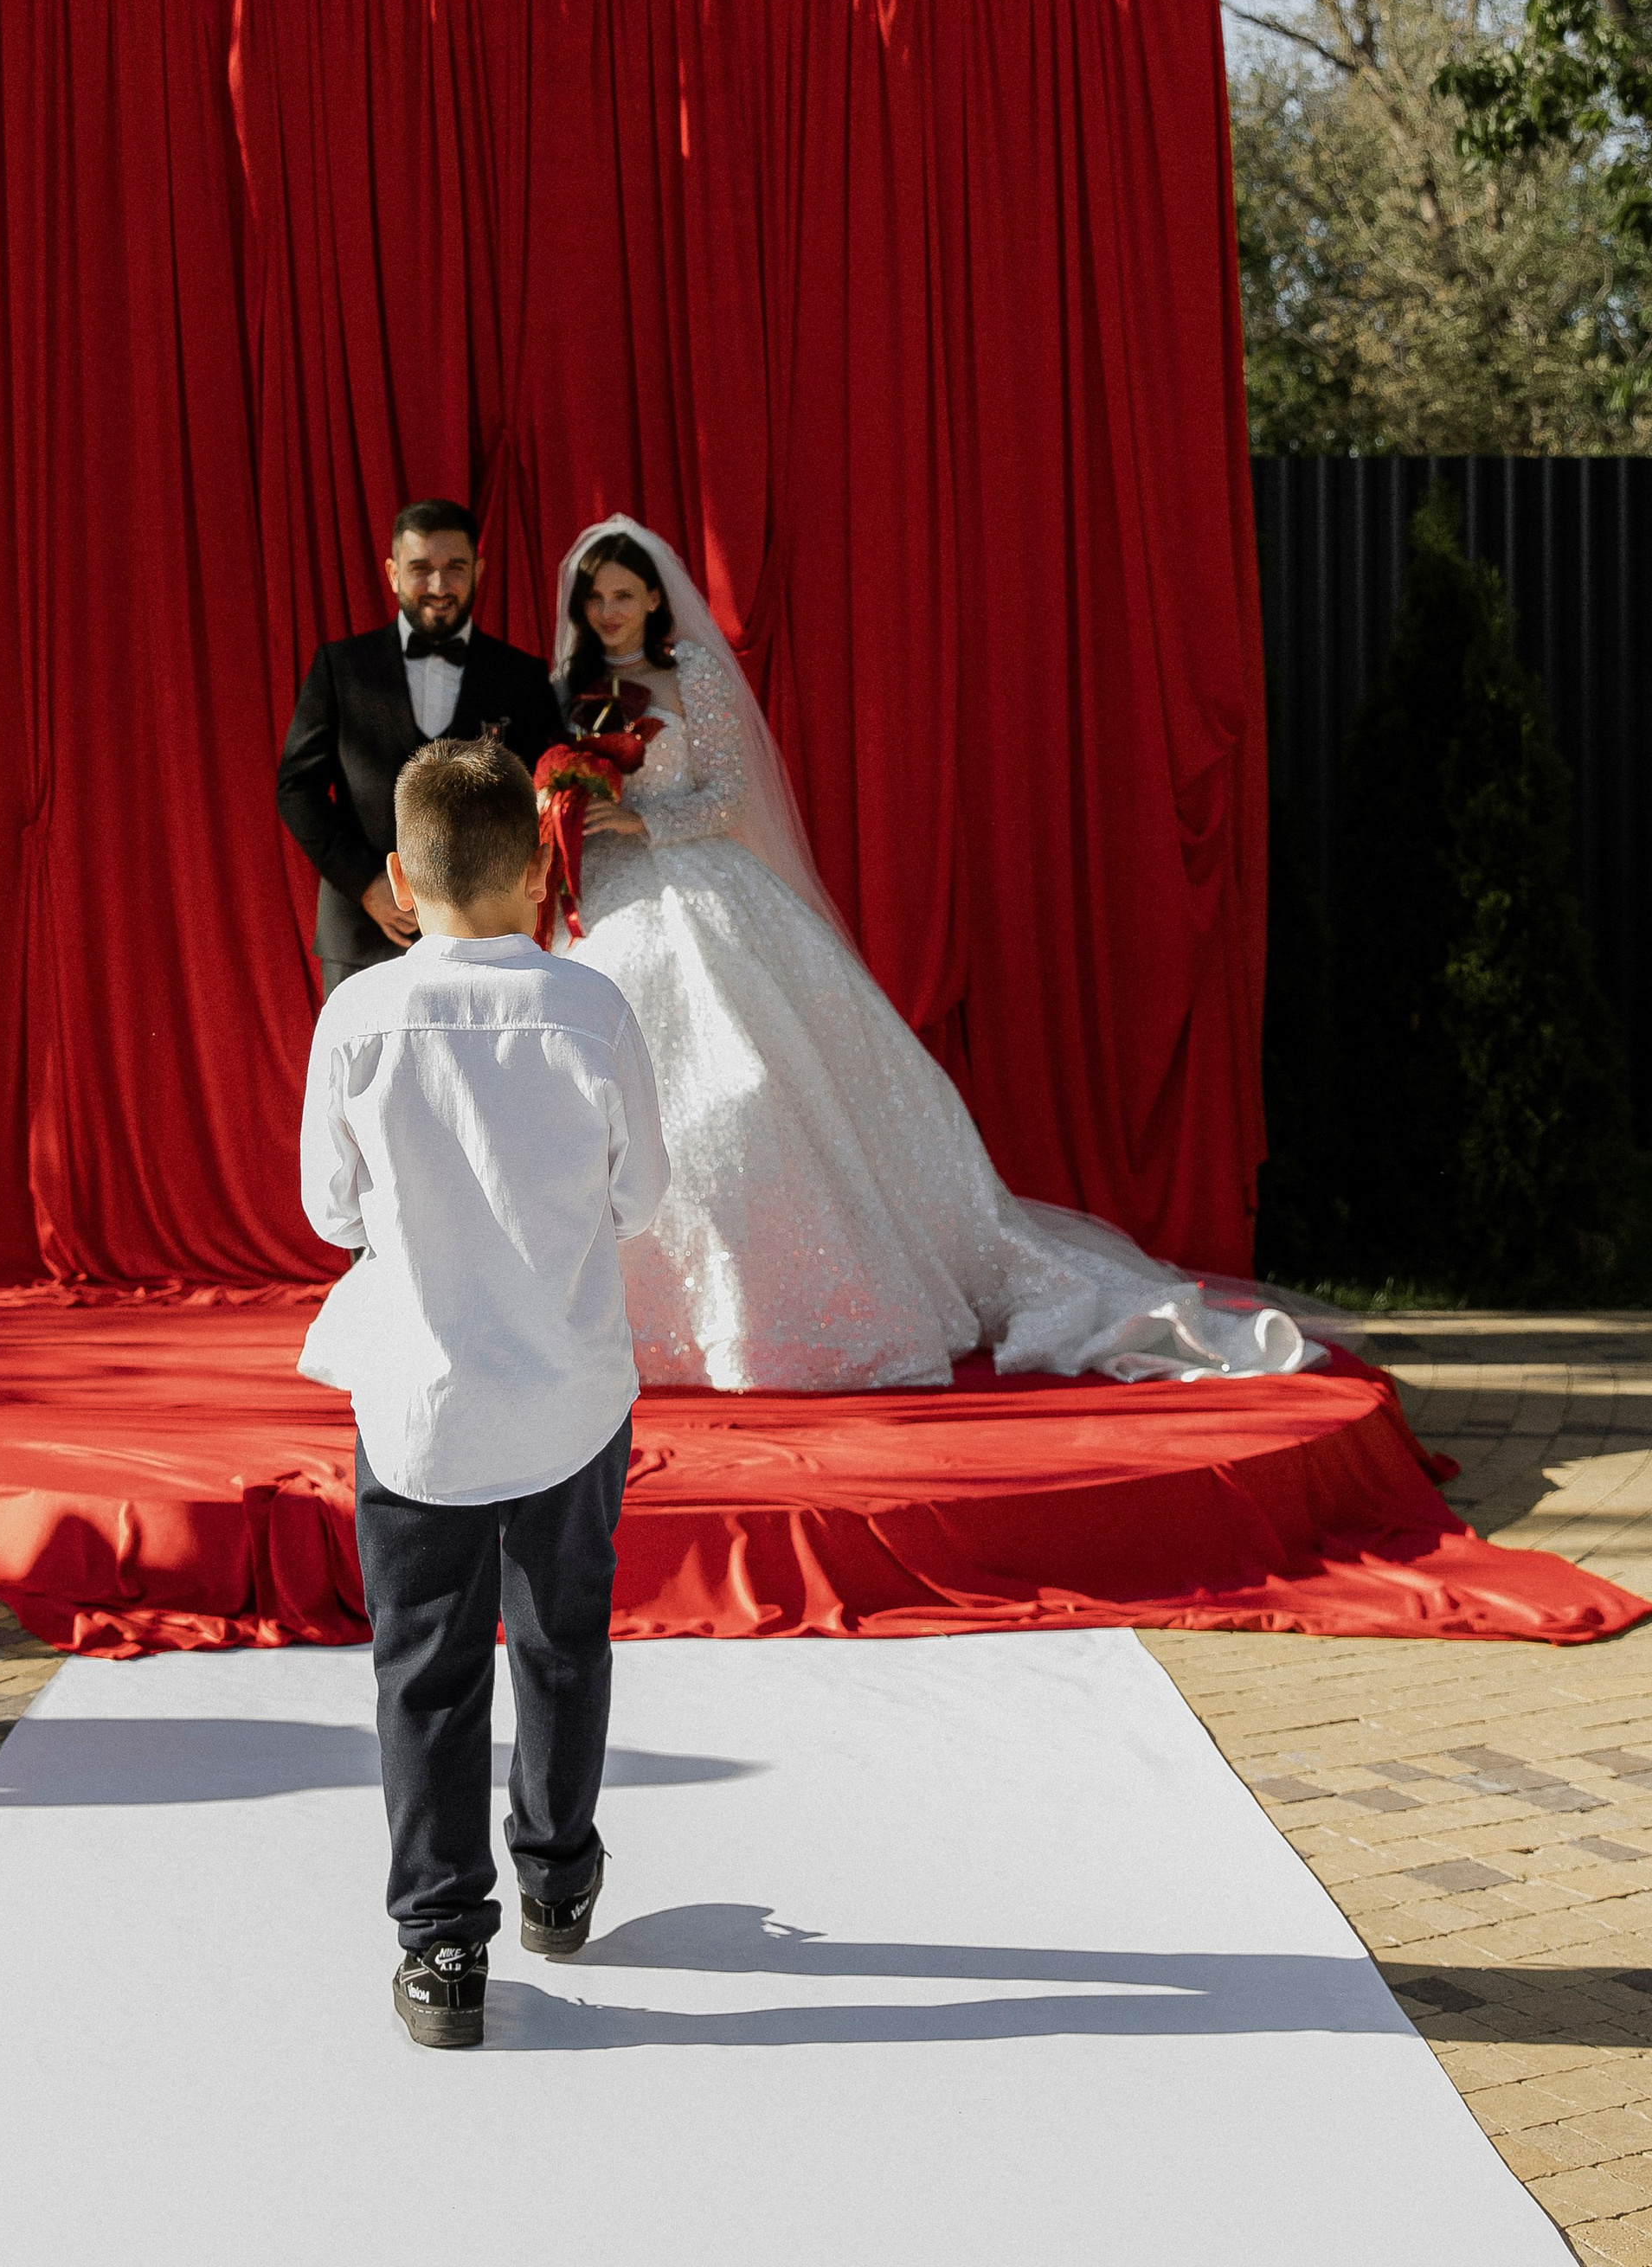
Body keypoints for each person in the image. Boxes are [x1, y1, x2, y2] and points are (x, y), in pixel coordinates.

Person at [553, 516, 1321, 1395]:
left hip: (702, 893)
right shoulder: (570, 686)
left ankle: (765, 1308)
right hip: (604, 900)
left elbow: (729, 795)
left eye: (623, 594)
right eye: (596, 597)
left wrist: (647, 820)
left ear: (654, 598)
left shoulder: (692, 676)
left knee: (743, 1081)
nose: (609, 611)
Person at [297, 737, 670, 2052]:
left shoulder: (356, 1016)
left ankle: (444, 1946)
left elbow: (328, 1208)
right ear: (535, 871)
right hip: (568, 1385)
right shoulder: (592, 1008)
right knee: (563, 1641)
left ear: (400, 876)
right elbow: (645, 1199)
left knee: (426, 1668)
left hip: (417, 1399)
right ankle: (559, 1879)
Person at [276, 498, 565, 992]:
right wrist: (367, 883)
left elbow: (546, 792)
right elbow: (296, 789)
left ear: (478, 569)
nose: (438, 586)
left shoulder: (522, 677)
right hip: (363, 937)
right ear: (391, 573)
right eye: (420, 569)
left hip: (489, 940)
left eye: (454, 567)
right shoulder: (340, 668)